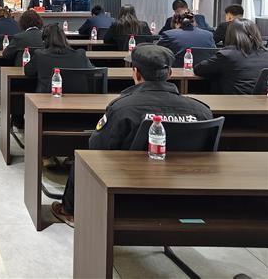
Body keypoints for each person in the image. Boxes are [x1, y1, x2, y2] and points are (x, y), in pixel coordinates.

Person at [51, 44, 213, 227]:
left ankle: (70, 212)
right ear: (169, 74)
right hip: (185, 191)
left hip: (128, 190)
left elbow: (97, 146)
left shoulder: (123, 108)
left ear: (135, 73)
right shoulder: (202, 111)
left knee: (82, 158)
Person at [194, 18, 268, 94]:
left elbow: (199, 69)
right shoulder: (267, 54)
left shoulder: (227, 54)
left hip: (234, 100)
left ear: (230, 34)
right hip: (263, 100)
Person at [24, 24, 94, 93]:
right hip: (78, 97)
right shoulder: (80, 55)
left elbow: (28, 71)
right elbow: (92, 72)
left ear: (44, 41)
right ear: (64, 38)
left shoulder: (40, 55)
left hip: (48, 97)